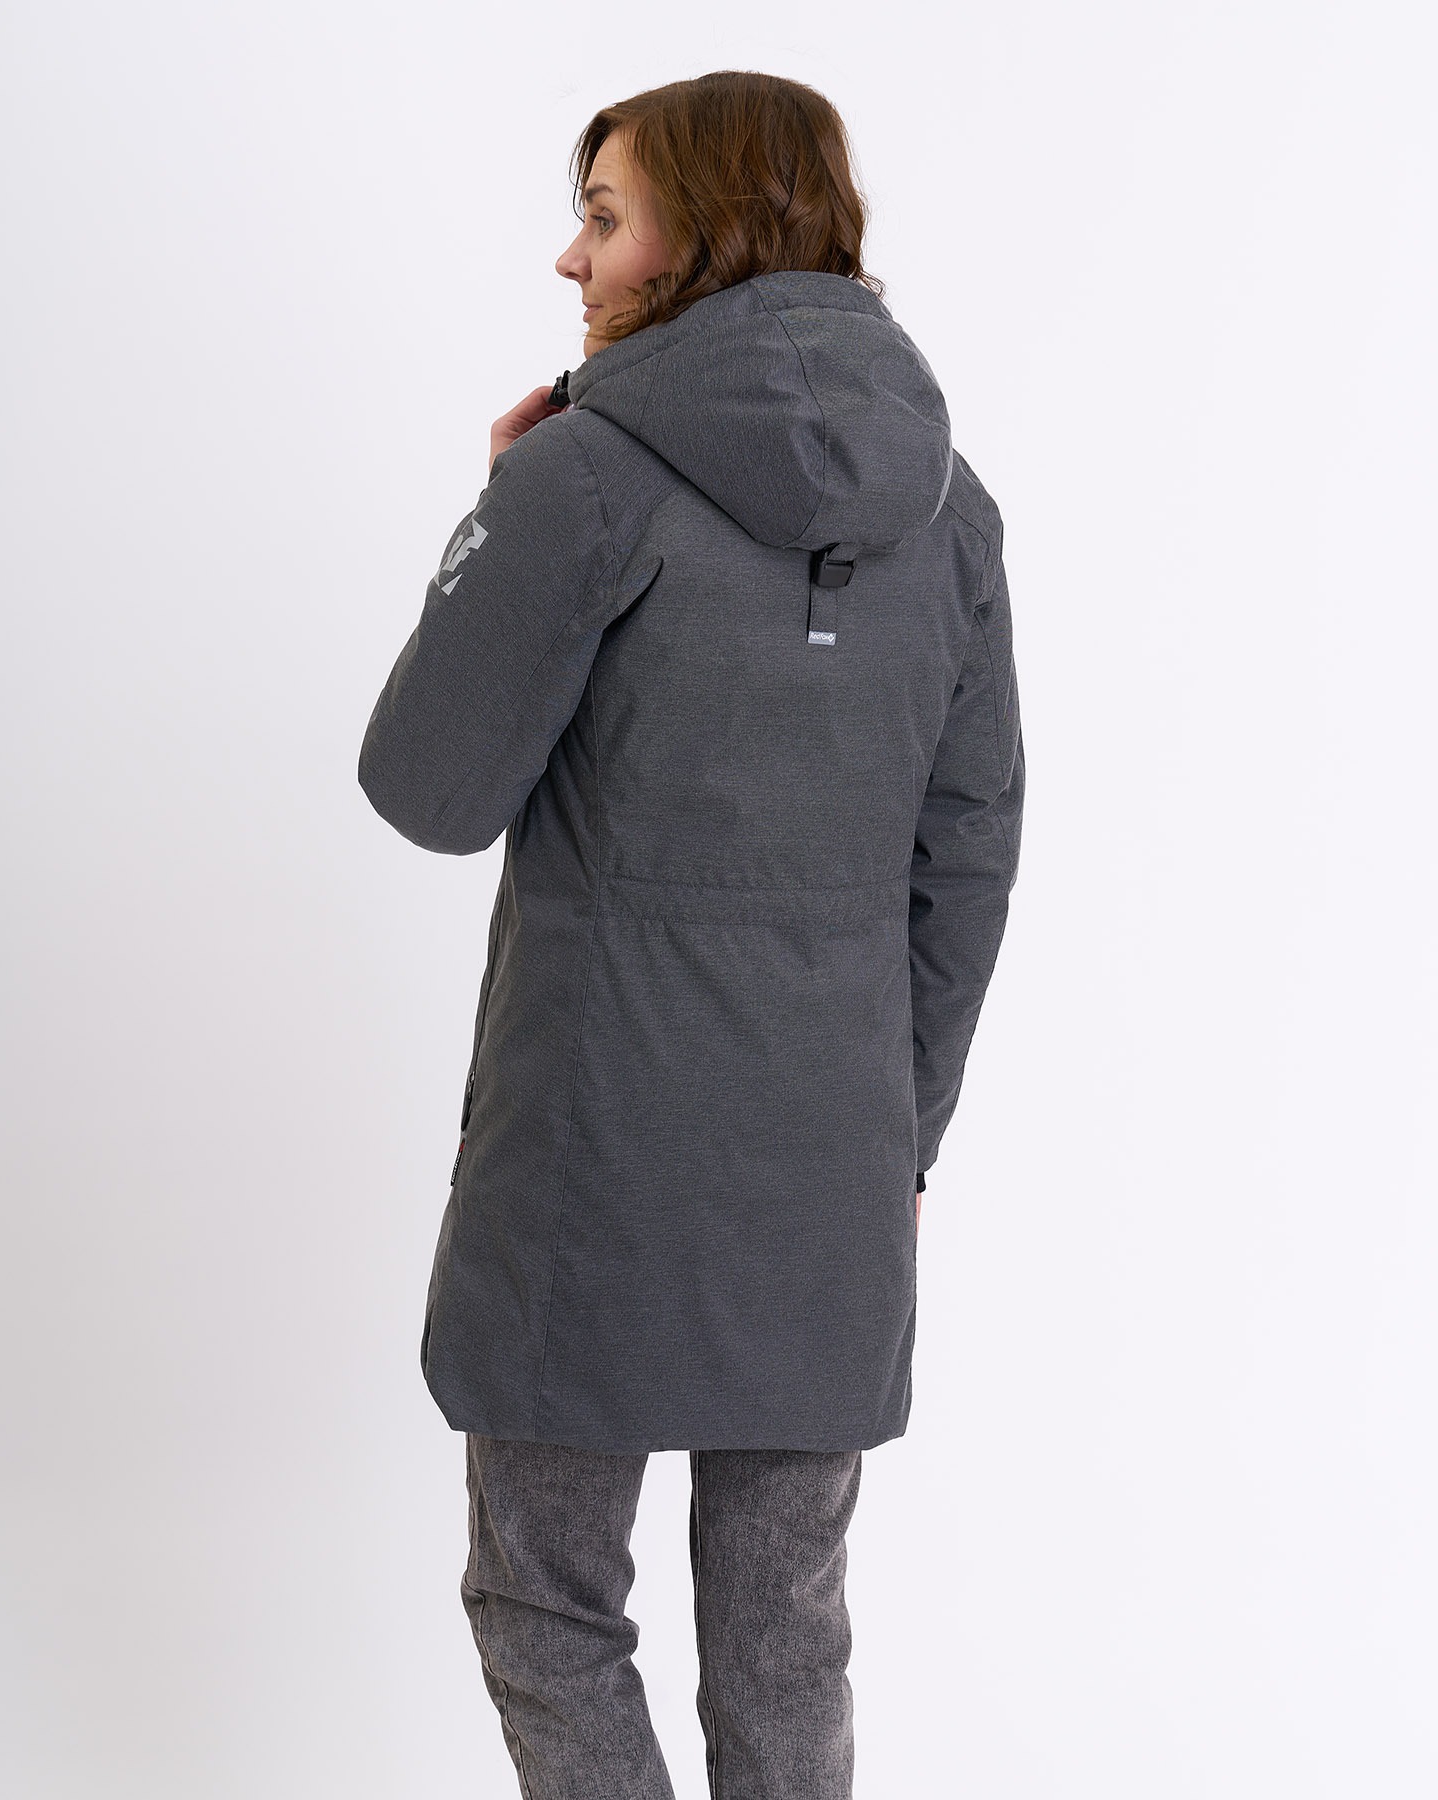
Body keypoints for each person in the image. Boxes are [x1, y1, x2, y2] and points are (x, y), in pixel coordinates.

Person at [358, 69, 1025, 1800]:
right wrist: (906, 1130)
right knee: (788, 1626)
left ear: (707, 234)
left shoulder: (583, 478)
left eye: (602, 217)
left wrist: (499, 518)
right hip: (832, 1169)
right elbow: (969, 853)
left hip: (591, 1158)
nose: (569, 259)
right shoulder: (952, 509)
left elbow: (429, 788)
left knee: (547, 1597)